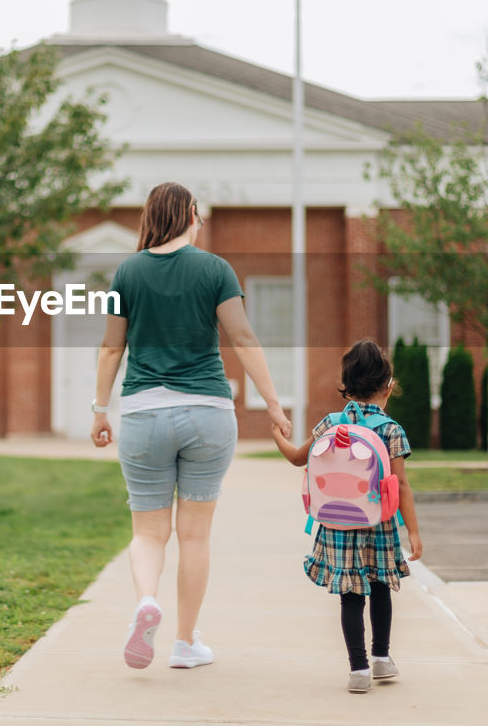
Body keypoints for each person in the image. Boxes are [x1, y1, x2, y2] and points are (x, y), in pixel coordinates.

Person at [91, 181, 291, 670]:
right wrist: (273, 403)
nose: (200, 222)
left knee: (148, 532)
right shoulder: (215, 269)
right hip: (207, 413)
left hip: (142, 415)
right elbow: (243, 338)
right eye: (197, 214)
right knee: (195, 536)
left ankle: (145, 603)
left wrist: (100, 408)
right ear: (187, 216)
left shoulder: (127, 273)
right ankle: (184, 643)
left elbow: (112, 348)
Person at [270, 338, 423, 694]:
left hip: (337, 525)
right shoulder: (390, 430)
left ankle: (358, 668)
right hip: (379, 524)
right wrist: (412, 532)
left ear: (347, 385)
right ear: (388, 387)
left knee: (350, 594)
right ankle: (382, 657)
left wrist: (277, 435)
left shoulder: (330, 423)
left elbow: (296, 458)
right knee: (381, 585)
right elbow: (400, 484)